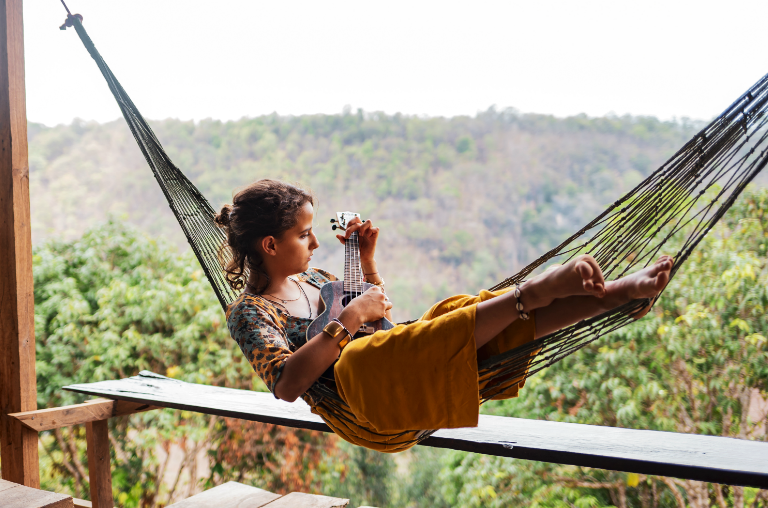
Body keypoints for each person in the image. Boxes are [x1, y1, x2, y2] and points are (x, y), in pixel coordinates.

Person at [214, 179, 672, 452]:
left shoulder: (318, 280)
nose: (315, 244)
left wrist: (368, 263)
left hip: (397, 372)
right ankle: (531, 292)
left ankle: (614, 295)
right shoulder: (249, 313)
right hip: (365, 408)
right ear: (270, 245)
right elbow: (288, 384)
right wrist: (349, 320)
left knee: (452, 313)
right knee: (358, 359)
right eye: (304, 235)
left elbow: (381, 320)